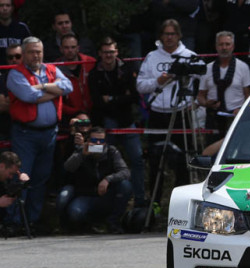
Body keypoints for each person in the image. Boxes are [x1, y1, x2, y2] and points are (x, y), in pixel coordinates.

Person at [7, 36, 73, 232]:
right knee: (20, 178)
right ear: (24, 54)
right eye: (32, 51)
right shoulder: (15, 74)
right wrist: (55, 90)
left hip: (49, 134)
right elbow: (28, 96)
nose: (36, 55)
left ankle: (32, 221)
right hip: (26, 134)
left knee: (41, 179)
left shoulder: (51, 69)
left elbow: (68, 87)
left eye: (39, 51)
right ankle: (15, 222)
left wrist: (42, 86)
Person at [136, 19, 197, 207]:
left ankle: (181, 207)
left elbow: (201, 86)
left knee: (183, 163)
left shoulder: (190, 56)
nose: (169, 38)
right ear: (160, 36)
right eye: (166, 34)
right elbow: (140, 85)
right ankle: (154, 208)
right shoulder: (151, 57)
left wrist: (193, 103)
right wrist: (158, 81)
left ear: (179, 35)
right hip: (157, 114)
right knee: (155, 162)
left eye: (172, 34)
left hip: (181, 114)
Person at [89, 37, 146, 207]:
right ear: (100, 54)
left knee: (137, 159)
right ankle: (104, 204)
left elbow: (134, 97)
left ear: (117, 52)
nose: (108, 55)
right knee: (101, 161)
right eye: (105, 52)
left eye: (111, 52)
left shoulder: (127, 70)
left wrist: (112, 99)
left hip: (127, 122)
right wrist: (122, 97)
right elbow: (97, 101)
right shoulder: (94, 74)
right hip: (105, 124)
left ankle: (140, 201)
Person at [57, 126, 131, 233]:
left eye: (100, 141)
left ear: (105, 142)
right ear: (88, 141)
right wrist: (82, 154)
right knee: (75, 212)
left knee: (125, 185)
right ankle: (85, 225)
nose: (97, 144)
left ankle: (113, 222)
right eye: (94, 140)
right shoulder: (81, 152)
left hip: (106, 195)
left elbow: (125, 172)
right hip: (86, 194)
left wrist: (107, 179)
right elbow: (68, 167)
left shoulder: (111, 152)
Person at [197, 31, 250, 144]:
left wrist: (241, 109)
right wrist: (207, 103)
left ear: (233, 46)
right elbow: (200, 96)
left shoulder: (243, 67)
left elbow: (248, 95)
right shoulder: (207, 68)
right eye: (221, 44)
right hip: (213, 117)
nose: (224, 48)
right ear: (216, 46)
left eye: (227, 44)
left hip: (235, 116)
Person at [56, 33, 95, 124]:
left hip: (94, 112)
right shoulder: (55, 69)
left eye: (73, 47)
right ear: (61, 49)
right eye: (66, 47)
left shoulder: (90, 62)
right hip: (70, 116)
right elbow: (56, 100)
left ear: (78, 48)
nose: (70, 50)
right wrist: (76, 112)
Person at [0, 151, 29, 234]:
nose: (10, 177)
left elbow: (9, 193)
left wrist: (22, 182)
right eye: (10, 173)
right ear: (1, 166)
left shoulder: (3, 181)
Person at [0, 43, 21, 140]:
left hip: (26, 129)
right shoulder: (2, 79)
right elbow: (2, 106)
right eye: (10, 57)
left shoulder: (32, 77)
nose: (14, 60)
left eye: (18, 56)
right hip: (5, 129)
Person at [0, 0, 30, 66]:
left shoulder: (22, 28)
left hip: (19, 70)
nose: (5, 8)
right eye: (1, 5)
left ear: (12, 8)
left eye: (8, 5)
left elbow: (29, 50)